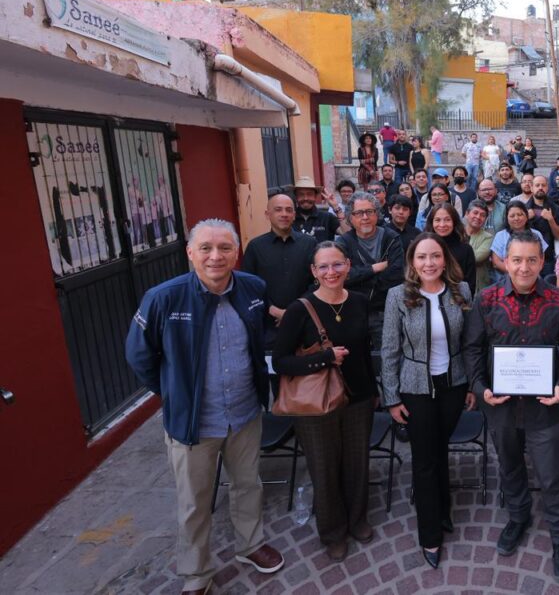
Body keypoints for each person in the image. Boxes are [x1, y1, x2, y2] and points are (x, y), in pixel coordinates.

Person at [126, 219, 284, 594]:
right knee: (194, 503)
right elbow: (139, 356)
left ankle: (250, 544)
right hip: (193, 423)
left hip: (245, 413)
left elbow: (262, 334)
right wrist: (175, 393)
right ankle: (197, 574)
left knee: (248, 484)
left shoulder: (253, 288)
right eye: (206, 248)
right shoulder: (163, 298)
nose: (216, 256)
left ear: (236, 252)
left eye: (225, 248)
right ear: (190, 253)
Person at [463, 231, 559, 582]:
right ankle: (518, 516)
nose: (524, 267)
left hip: (545, 407)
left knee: (552, 475)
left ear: (542, 261)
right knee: (510, 467)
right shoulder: (487, 299)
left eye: (531, 260)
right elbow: (472, 348)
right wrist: (481, 388)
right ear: (505, 260)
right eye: (517, 260)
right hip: (500, 405)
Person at [272, 242, 377, 561]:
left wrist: (374, 392)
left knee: (357, 463)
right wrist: (324, 358)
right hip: (316, 403)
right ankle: (333, 532)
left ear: (348, 266)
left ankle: (357, 520)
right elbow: (280, 362)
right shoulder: (299, 309)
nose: (331, 272)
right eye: (324, 267)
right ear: (314, 272)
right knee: (324, 467)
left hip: (358, 396)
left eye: (337, 265)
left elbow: (364, 350)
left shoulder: (359, 301)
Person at [381, 233, 474, 568]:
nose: (429, 263)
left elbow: (471, 342)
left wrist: (473, 385)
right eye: (421, 257)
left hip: (453, 385)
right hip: (415, 388)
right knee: (424, 459)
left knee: (439, 450)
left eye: (435, 256)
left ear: (445, 258)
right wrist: (391, 398)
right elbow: (389, 349)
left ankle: (442, 509)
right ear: (412, 261)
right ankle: (430, 534)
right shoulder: (397, 296)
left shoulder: (462, 290)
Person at [241, 193, 317, 345]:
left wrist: (295, 310)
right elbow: (248, 286)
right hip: (269, 324)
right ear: (267, 214)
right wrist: (272, 309)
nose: (284, 214)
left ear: (294, 215)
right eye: (278, 210)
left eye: (289, 210)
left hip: (305, 318)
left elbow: (317, 281)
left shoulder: (310, 243)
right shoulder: (255, 247)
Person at [335, 192, 404, 352]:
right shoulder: (344, 242)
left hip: (385, 311)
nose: (365, 217)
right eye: (359, 213)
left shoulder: (391, 238)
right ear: (350, 217)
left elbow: (396, 275)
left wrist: (361, 282)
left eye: (369, 211)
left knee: (387, 355)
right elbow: (341, 275)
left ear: (377, 214)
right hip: (353, 311)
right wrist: (374, 268)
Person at [424, 202, 478, 296]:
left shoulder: (466, 250)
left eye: (447, 220)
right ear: (431, 222)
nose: (442, 224)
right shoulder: (423, 248)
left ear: (454, 222)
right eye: (437, 220)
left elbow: (470, 286)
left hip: (457, 300)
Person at [490, 202, 547, 278]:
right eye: (512, 216)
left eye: (520, 215)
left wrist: (527, 273)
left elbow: (541, 258)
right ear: (507, 218)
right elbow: (496, 262)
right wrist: (516, 273)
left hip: (532, 276)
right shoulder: (500, 236)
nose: (516, 218)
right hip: (505, 278)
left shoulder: (536, 234)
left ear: (526, 216)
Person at [523, 175, 559, 277]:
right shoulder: (523, 209)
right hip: (527, 256)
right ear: (532, 188)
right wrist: (526, 219)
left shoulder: (555, 208)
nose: (540, 187)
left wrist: (551, 220)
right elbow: (516, 232)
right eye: (537, 185)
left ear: (547, 188)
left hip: (547, 258)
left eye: (543, 185)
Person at [293, 176, 340, 244]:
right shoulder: (289, 219)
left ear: (315, 196)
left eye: (309, 194)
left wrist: (336, 207)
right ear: (296, 197)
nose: (305, 198)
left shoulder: (327, 217)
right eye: (301, 194)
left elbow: (346, 233)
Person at [463, 199, 495, 291]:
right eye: (475, 213)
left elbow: (476, 258)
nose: (478, 217)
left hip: (478, 285)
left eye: (482, 215)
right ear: (467, 214)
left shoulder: (488, 237)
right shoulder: (456, 233)